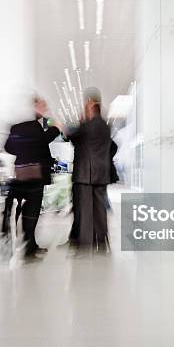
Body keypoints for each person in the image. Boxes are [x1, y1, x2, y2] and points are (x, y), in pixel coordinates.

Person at [2, 96, 60, 257]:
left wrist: (24, 151)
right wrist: (55, 129)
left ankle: (30, 243)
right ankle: (29, 246)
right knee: (32, 210)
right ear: (34, 106)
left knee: (28, 209)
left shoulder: (17, 126)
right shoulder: (33, 125)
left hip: (21, 173)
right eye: (43, 105)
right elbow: (42, 141)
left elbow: (8, 147)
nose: (45, 108)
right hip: (34, 175)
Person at [68, 87, 113, 252]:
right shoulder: (105, 126)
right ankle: (101, 240)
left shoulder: (87, 126)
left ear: (90, 104)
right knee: (100, 209)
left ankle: (86, 243)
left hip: (85, 175)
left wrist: (79, 123)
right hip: (101, 175)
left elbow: (72, 137)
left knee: (85, 210)